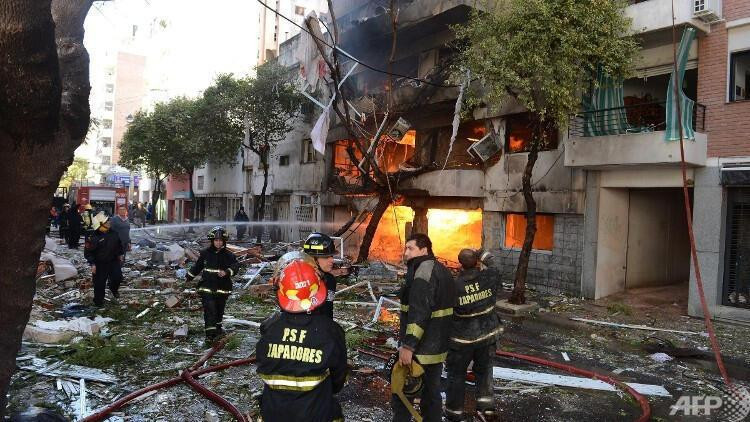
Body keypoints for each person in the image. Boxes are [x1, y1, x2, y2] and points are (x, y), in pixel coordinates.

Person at [256, 252, 348, 422]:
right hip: (317, 414)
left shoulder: (269, 328)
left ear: (280, 292)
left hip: (274, 414)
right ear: (318, 290)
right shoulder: (331, 331)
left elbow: (263, 366)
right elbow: (338, 378)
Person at [392, 233, 455, 422]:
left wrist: (408, 346)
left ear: (424, 249)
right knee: (431, 394)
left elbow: (419, 313)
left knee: (404, 392)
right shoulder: (442, 269)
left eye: (410, 248)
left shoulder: (422, 272)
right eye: (406, 248)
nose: (406, 253)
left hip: (420, 349)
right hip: (437, 348)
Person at [445, 249, 503, 421]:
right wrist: (482, 253)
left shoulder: (453, 286)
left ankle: (454, 412)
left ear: (460, 265)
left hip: (461, 342)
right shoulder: (490, 277)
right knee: (484, 372)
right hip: (487, 337)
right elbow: (495, 264)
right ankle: (486, 409)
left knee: (456, 375)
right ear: (477, 262)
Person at [186, 226, 239, 345]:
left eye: (220, 241)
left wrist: (227, 272)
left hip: (222, 289)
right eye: (216, 240)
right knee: (210, 310)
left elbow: (235, 267)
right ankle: (210, 335)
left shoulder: (229, 255)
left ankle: (218, 329)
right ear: (212, 241)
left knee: (219, 310)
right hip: (207, 287)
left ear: (224, 241)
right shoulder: (205, 253)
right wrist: (189, 276)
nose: (218, 243)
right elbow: (198, 266)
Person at [84, 212, 124, 307]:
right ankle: (98, 303)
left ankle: (113, 289)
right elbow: (88, 253)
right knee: (99, 284)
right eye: (106, 221)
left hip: (113, 261)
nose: (109, 222)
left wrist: (120, 254)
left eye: (108, 220)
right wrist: (92, 264)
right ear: (100, 224)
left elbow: (119, 245)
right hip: (99, 264)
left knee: (117, 277)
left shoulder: (114, 233)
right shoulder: (92, 237)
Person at [302, 232, 338, 319]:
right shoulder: (297, 280)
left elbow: (328, 312)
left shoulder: (329, 280)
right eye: (326, 257)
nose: (332, 260)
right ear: (312, 259)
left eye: (331, 256)